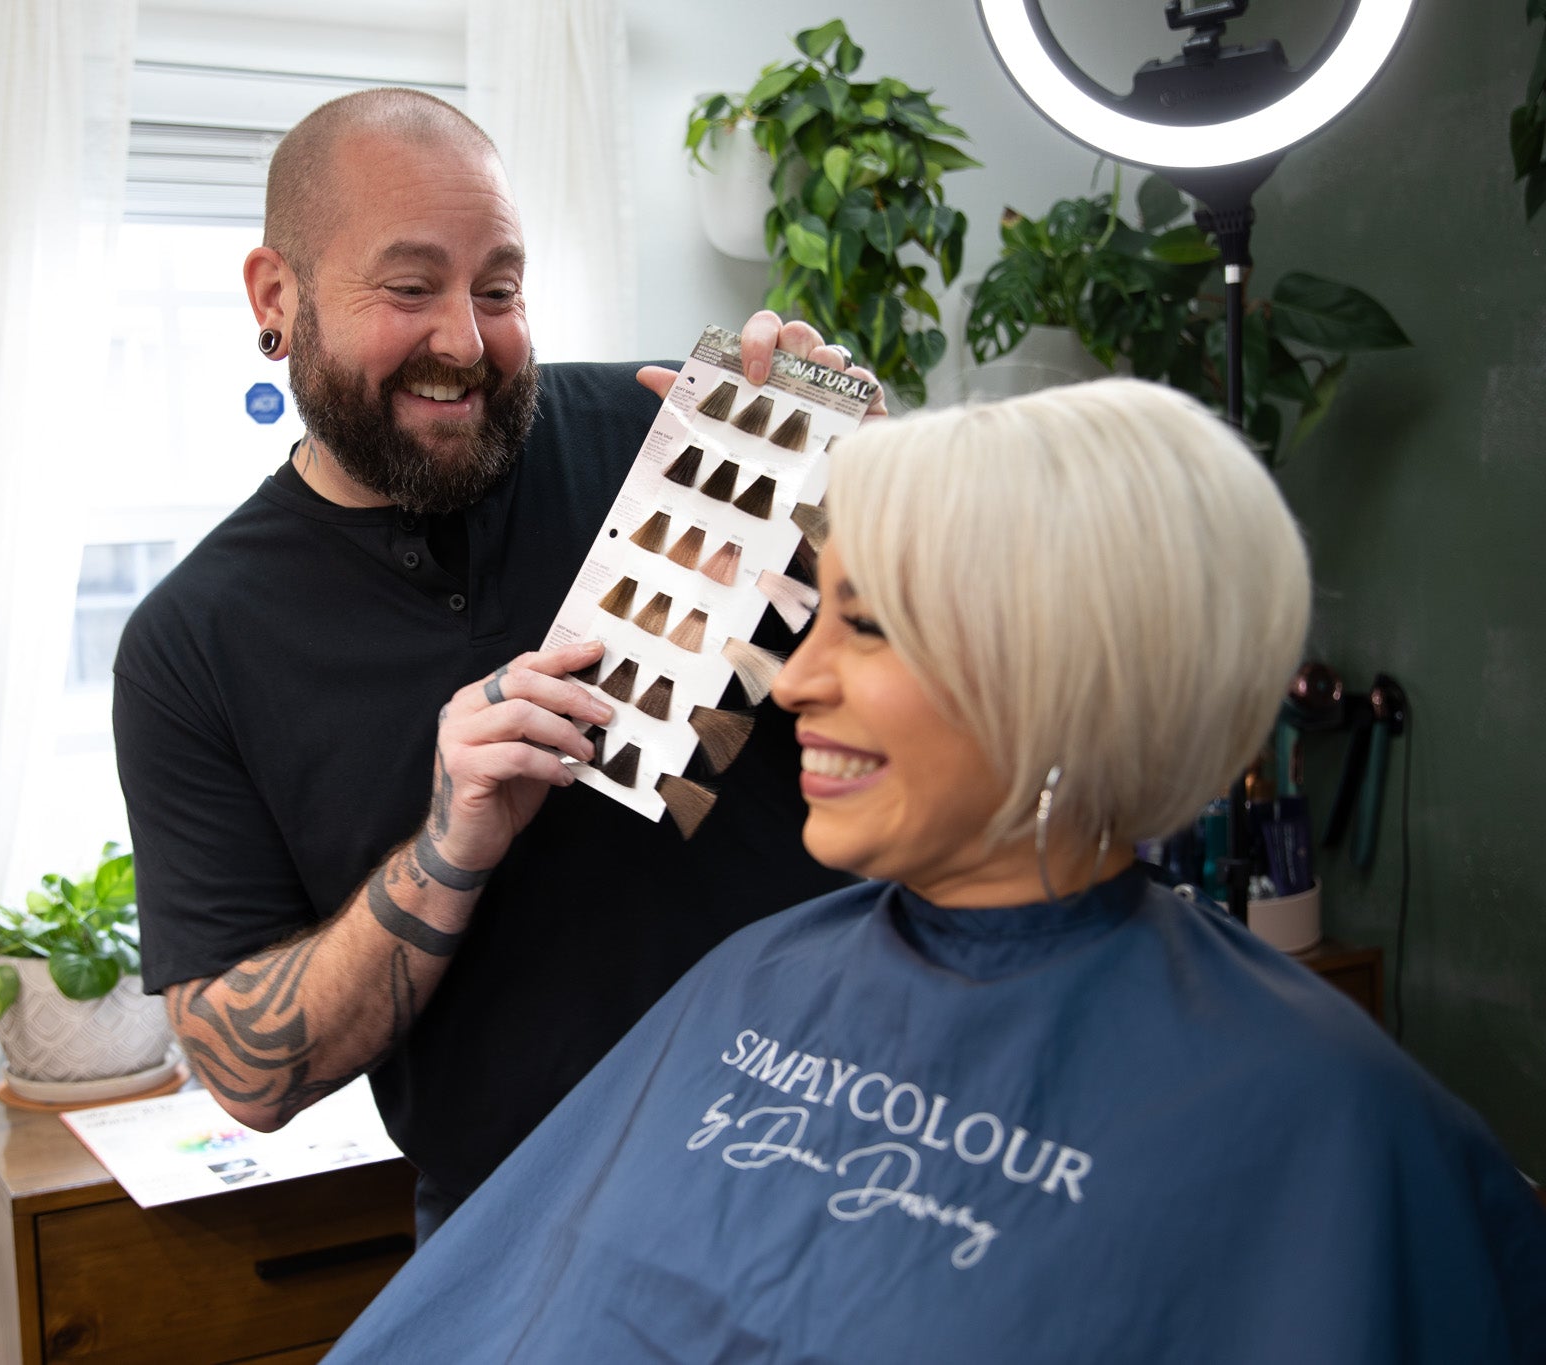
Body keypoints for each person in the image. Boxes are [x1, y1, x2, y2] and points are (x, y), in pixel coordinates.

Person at [324, 378, 1546, 1363]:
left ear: (1066, 664)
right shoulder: (756, 974)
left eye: (862, 626)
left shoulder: (1324, 1122)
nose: (795, 683)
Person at [112, 87, 880, 1238]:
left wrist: (881, 495)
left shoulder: (668, 443)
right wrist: (448, 847)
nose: (465, 343)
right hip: (529, 1247)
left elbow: (965, 702)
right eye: (410, 287)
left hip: (854, 1173)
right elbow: (247, 1074)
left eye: (498, 288)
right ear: (278, 297)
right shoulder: (192, 645)